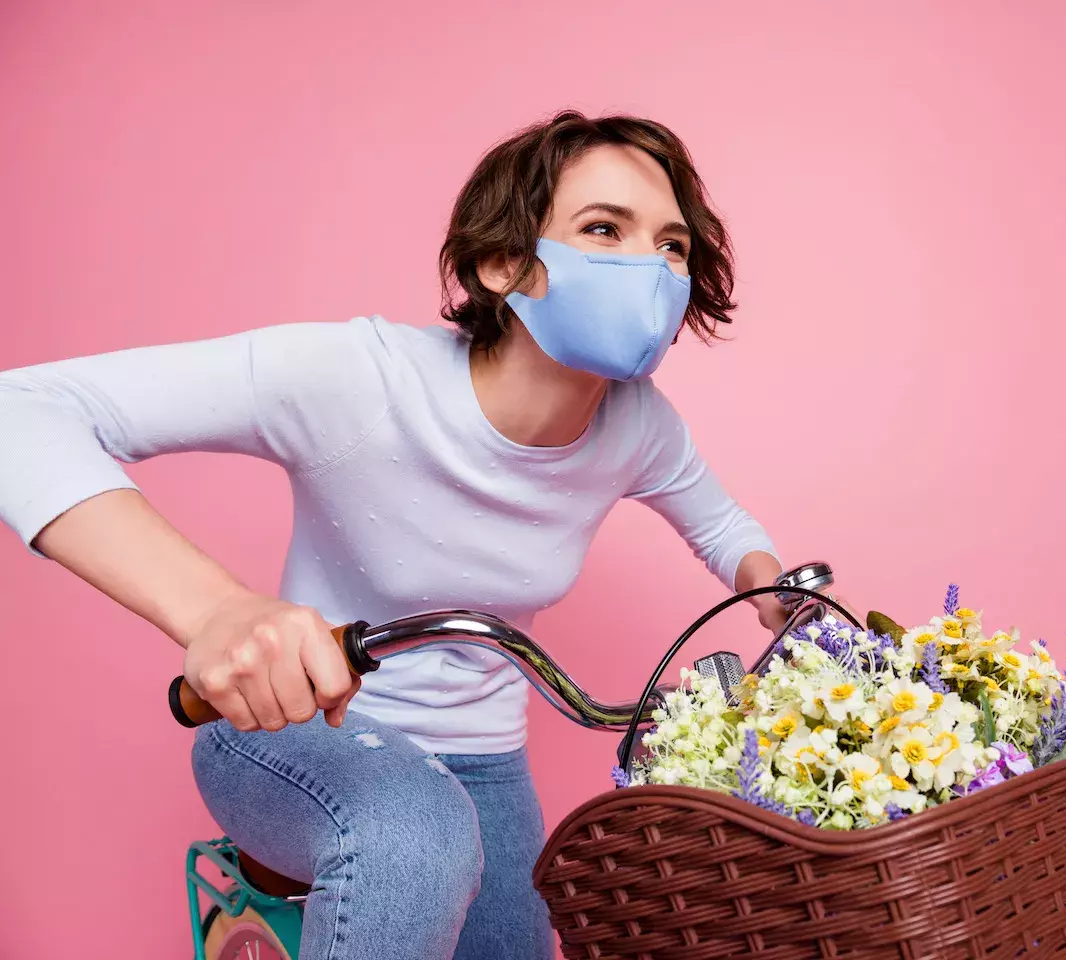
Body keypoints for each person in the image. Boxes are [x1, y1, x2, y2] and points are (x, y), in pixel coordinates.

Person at [0, 112, 802, 959]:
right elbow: (21, 410)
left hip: (488, 764)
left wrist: (777, 589)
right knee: (415, 835)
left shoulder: (638, 428)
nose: (650, 267)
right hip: (299, 730)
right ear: (504, 265)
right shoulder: (362, 380)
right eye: (604, 230)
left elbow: (721, 525)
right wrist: (216, 611)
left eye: (672, 246)